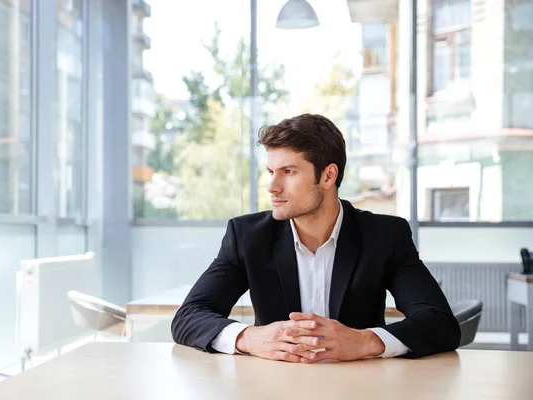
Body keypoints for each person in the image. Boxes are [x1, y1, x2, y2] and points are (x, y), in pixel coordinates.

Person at [171, 114, 460, 363]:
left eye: (289, 172)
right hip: (272, 387)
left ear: (328, 176)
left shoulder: (386, 236)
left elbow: (440, 324)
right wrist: (249, 337)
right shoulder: (247, 236)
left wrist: (364, 341)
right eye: (271, 172)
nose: (273, 186)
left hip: (361, 387)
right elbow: (188, 317)